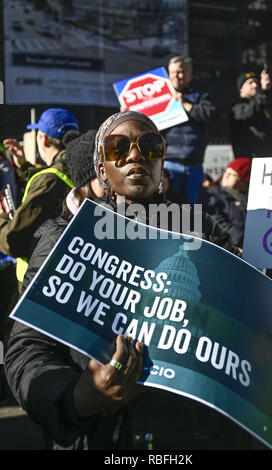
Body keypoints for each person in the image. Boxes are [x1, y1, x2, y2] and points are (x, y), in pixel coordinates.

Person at [5, 111, 256, 450]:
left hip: (193, 436)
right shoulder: (63, 241)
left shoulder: (204, 233)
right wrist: (81, 395)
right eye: (118, 147)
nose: (135, 155)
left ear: (162, 162)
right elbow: (27, 350)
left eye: (149, 146)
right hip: (103, 436)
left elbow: (248, 328)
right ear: (100, 169)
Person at [0, 108, 79, 284]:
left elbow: (12, 241)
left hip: (35, 284)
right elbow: (55, 178)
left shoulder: (48, 181)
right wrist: (23, 164)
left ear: (42, 139)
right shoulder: (80, 169)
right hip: (65, 279)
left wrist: (1, 216)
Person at [163, 56, 216, 205]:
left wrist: (185, 104)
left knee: (194, 210)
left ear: (190, 74)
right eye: (172, 72)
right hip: (169, 163)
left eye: (180, 72)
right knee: (169, 208)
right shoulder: (159, 97)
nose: (176, 76)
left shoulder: (200, 96)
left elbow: (210, 115)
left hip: (194, 164)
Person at [199, 157, 252, 248]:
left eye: (232, 174)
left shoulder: (248, 200)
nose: (226, 175)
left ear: (243, 180)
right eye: (226, 172)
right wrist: (239, 240)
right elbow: (214, 219)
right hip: (226, 248)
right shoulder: (213, 194)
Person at [229, 70, 272, 158]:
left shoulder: (262, 103)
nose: (255, 85)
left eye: (256, 82)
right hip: (249, 160)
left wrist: (266, 91)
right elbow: (250, 113)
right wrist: (263, 91)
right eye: (250, 83)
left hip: (269, 157)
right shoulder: (237, 107)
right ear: (241, 88)